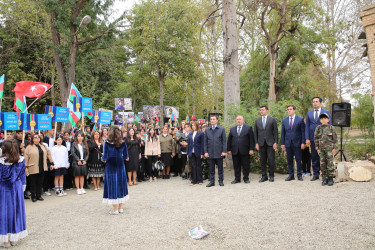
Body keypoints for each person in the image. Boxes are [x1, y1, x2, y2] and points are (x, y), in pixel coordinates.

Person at [0, 139, 27, 247]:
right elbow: (22, 175)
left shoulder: (1, 161)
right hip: (16, 187)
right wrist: (23, 185)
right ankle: (13, 238)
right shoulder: (21, 160)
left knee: (4, 212)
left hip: (3, 189)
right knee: (15, 211)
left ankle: (4, 239)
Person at [102, 126, 129, 215]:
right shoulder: (123, 143)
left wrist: (104, 157)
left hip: (111, 166)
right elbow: (126, 156)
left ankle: (115, 209)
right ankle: (120, 208)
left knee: (112, 185)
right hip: (120, 165)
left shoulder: (107, 143)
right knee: (121, 184)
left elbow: (104, 158)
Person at [305, 97, 331, 181]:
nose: (315, 103)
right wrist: (307, 138)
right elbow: (307, 126)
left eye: (316, 101)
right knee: (314, 157)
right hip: (313, 139)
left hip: (324, 139)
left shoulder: (326, 112)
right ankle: (315, 174)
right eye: (313, 102)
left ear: (320, 103)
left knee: (324, 157)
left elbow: (330, 125)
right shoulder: (309, 113)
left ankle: (325, 175)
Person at [24, 134, 54, 202]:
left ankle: (39, 195)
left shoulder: (43, 146)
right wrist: (26, 167)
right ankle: (33, 196)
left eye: (38, 138)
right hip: (32, 167)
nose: (37, 139)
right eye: (35, 137)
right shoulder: (29, 147)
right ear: (32, 139)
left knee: (40, 182)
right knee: (33, 183)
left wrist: (51, 163)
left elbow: (48, 154)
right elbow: (26, 158)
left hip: (42, 166)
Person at [281, 105, 305, 181]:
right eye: (288, 109)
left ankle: (299, 175)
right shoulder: (284, 120)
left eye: (290, 109)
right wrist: (282, 143)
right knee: (289, 160)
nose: (289, 111)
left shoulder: (300, 119)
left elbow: (303, 132)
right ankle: (291, 175)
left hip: (297, 143)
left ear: (294, 110)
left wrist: (303, 142)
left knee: (298, 159)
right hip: (288, 143)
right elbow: (283, 133)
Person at [227, 115, 255, 184]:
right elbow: (229, 140)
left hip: (245, 150)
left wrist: (251, 149)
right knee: (236, 165)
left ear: (243, 120)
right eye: (237, 119)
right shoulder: (232, 129)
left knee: (246, 165)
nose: (238, 120)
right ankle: (237, 179)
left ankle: (246, 178)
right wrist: (228, 149)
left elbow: (252, 139)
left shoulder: (248, 128)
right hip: (235, 150)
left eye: (240, 119)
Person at [253, 106, 278, 182]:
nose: (261, 111)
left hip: (270, 143)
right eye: (260, 110)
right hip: (261, 143)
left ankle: (271, 176)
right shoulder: (257, 121)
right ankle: (264, 176)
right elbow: (255, 133)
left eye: (263, 110)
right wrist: (256, 143)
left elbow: (276, 132)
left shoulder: (272, 120)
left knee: (271, 160)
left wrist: (275, 142)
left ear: (267, 111)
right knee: (262, 161)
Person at [314, 113, 338, 186]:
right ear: (320, 120)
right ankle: (324, 178)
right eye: (321, 119)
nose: (323, 120)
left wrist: (334, 148)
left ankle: (330, 178)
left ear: (328, 119)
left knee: (330, 164)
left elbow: (335, 139)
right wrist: (317, 148)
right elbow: (316, 139)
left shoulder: (331, 128)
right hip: (321, 150)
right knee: (322, 164)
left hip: (329, 149)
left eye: (325, 118)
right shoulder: (318, 128)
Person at [204, 115, 227, 187]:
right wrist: (205, 152)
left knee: (220, 168)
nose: (212, 120)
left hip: (219, 152)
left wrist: (224, 151)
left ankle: (220, 181)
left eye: (213, 119)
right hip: (210, 152)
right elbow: (205, 142)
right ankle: (212, 181)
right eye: (211, 119)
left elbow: (224, 141)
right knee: (211, 168)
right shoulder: (207, 130)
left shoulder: (221, 129)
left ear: (217, 120)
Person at [187, 121, 204, 185]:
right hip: (191, 152)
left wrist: (202, 153)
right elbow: (189, 144)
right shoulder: (190, 133)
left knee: (198, 166)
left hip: (198, 152)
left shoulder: (201, 133)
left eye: (194, 125)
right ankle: (194, 180)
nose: (193, 126)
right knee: (193, 166)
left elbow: (202, 144)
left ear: (197, 126)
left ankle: (200, 180)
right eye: (192, 125)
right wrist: (188, 153)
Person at [42, 129, 55, 196]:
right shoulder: (45, 139)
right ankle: (45, 189)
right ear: (48, 131)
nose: (53, 131)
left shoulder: (55, 138)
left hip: (53, 158)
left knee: (52, 173)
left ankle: (52, 186)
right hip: (47, 158)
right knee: (46, 174)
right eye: (52, 130)